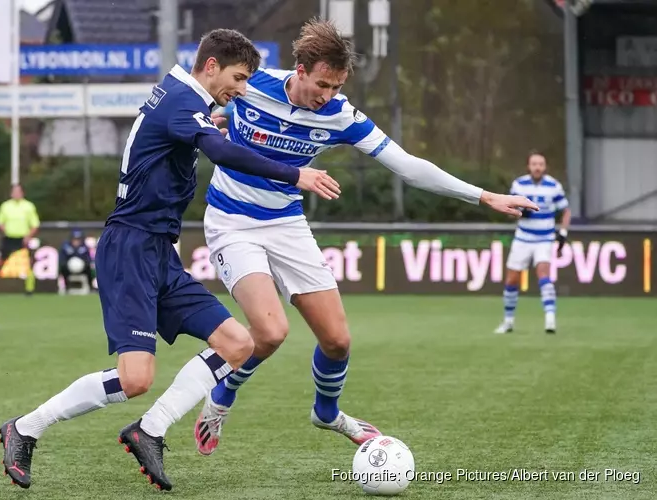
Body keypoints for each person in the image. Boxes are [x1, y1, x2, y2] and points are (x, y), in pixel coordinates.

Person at [142, 18, 539, 458]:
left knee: (337, 341)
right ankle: (222, 396)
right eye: (322, 85)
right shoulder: (253, 84)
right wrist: (216, 117)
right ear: (301, 68)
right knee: (270, 334)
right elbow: (206, 100)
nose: (327, 96)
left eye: (336, 86)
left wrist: (483, 195)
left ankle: (327, 413)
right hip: (231, 222)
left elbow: (407, 165)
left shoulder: (341, 116)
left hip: (288, 224)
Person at [0, 29, 340, 491]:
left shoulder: (180, 96)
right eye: (238, 78)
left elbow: (194, 135)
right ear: (211, 66)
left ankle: (149, 430)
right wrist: (295, 173)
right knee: (135, 379)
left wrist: (208, 126)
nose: (240, 90)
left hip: (159, 251)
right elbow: (220, 153)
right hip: (131, 250)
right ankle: (25, 428)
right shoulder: (180, 99)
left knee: (239, 343)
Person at [494, 151, 570, 334]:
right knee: (512, 278)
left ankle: (550, 319)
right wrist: (520, 211)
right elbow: (510, 207)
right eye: (534, 164)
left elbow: (565, 211)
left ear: (545, 166)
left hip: (544, 238)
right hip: (523, 238)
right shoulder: (519, 184)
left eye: (541, 164)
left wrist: (563, 233)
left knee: (543, 273)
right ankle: (508, 321)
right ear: (529, 166)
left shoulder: (554, 186)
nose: (537, 167)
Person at [0, 184, 39, 296]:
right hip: (9, 239)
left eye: (18, 191)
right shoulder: (5, 206)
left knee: (28, 264)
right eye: (14, 192)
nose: (16, 194)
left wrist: (28, 236)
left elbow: (35, 225)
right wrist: (5, 230)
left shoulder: (29, 206)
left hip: (22, 239)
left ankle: (29, 290)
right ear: (11, 193)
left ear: (22, 193)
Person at [58, 228, 94, 293]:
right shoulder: (66, 247)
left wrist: (84, 263)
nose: (76, 241)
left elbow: (88, 259)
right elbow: (62, 259)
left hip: (83, 268)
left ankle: (90, 286)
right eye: (74, 239)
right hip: (68, 268)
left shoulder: (84, 247)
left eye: (78, 239)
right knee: (62, 268)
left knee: (89, 268)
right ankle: (66, 286)